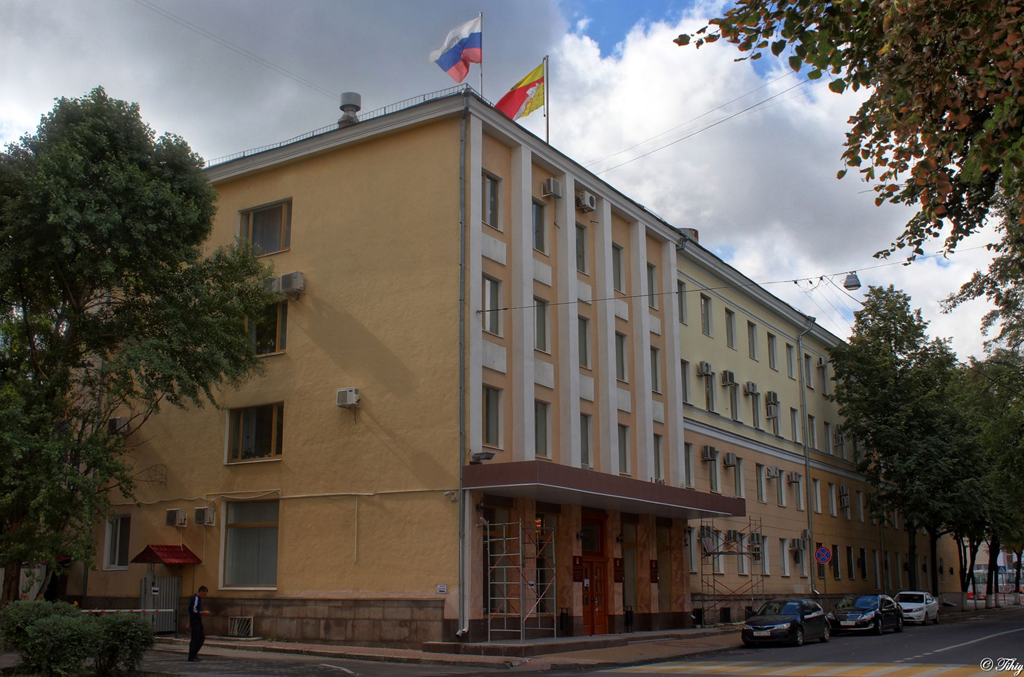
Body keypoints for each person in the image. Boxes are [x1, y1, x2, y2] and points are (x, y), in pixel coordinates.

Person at [187, 585, 210, 662]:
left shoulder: (198, 599)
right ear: (201, 592)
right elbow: (194, 611)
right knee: (195, 638)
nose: (204, 596)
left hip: (197, 620)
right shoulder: (195, 598)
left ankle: (194, 654)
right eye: (204, 594)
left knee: (201, 637)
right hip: (195, 620)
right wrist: (204, 612)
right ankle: (191, 656)